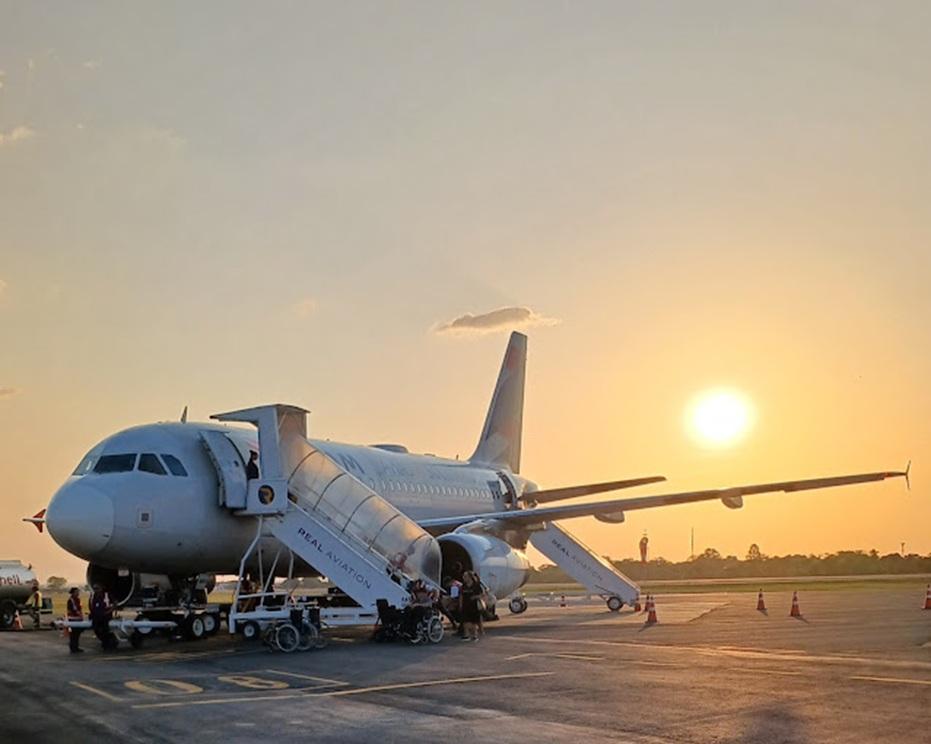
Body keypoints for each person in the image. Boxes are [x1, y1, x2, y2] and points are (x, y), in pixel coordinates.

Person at [459, 571, 484, 641]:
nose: (464, 578)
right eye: (463, 576)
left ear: (470, 577)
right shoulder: (463, 586)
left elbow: (482, 594)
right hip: (465, 605)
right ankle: (466, 635)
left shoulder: (476, 585)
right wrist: (460, 605)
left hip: (474, 606)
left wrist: (475, 597)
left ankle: (474, 635)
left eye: (465, 576)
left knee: (473, 621)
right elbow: (461, 595)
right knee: (465, 621)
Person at [89, 584, 115, 650]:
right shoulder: (93, 596)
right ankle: (105, 641)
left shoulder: (107, 595)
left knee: (105, 630)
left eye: (97, 588)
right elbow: (90, 605)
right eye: (94, 588)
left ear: (101, 588)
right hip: (96, 616)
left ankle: (106, 644)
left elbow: (115, 603)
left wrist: (109, 611)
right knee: (96, 629)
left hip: (105, 616)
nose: (96, 590)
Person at [65, 587, 84, 654]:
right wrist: (80, 615)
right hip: (74, 619)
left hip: (77, 618)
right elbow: (75, 609)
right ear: (73, 593)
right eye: (76, 592)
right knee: (74, 634)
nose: (78, 593)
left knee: (76, 634)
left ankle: (75, 647)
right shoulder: (72, 600)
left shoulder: (77, 599)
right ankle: (73, 647)